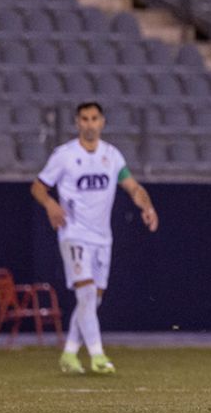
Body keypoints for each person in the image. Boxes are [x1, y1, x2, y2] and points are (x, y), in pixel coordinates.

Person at [32, 102, 159, 376]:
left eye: (94, 118)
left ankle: (69, 353)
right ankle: (98, 355)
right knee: (87, 294)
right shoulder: (64, 155)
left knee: (92, 301)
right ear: (77, 123)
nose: (89, 124)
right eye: (84, 119)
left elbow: (132, 187)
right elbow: (38, 187)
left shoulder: (111, 156)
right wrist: (51, 205)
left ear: (102, 122)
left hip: (102, 239)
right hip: (74, 234)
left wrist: (146, 206)